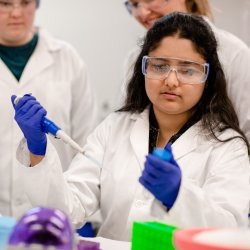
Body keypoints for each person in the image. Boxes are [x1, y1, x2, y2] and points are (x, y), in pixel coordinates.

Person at [12, 13, 250, 241]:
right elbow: (67, 210)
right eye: (160, 65)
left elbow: (228, 231)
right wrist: (38, 150)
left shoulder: (227, 146)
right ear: (144, 68)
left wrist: (179, 196)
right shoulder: (115, 128)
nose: (171, 80)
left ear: (207, 78)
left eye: (187, 70)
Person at [0, 0, 97, 218]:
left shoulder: (66, 57)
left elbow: (86, 138)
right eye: (5, 3)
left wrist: (89, 215)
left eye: (25, 3)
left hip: (57, 211)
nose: (16, 13)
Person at [122, 0, 250, 143]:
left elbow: (247, 133)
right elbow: (129, 123)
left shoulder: (234, 53)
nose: (142, 13)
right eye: (133, 4)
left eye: (149, 0)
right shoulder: (135, 57)